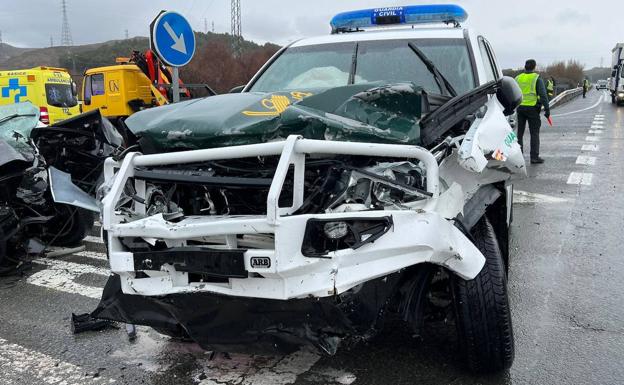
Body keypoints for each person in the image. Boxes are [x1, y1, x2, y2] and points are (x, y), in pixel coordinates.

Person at [514, 59, 550, 164]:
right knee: (534, 133)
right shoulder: (536, 78)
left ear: (525, 67)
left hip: (520, 108)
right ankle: (534, 157)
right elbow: (543, 95)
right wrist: (547, 109)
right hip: (533, 109)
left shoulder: (517, 78)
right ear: (534, 67)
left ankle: (519, 157)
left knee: (519, 133)